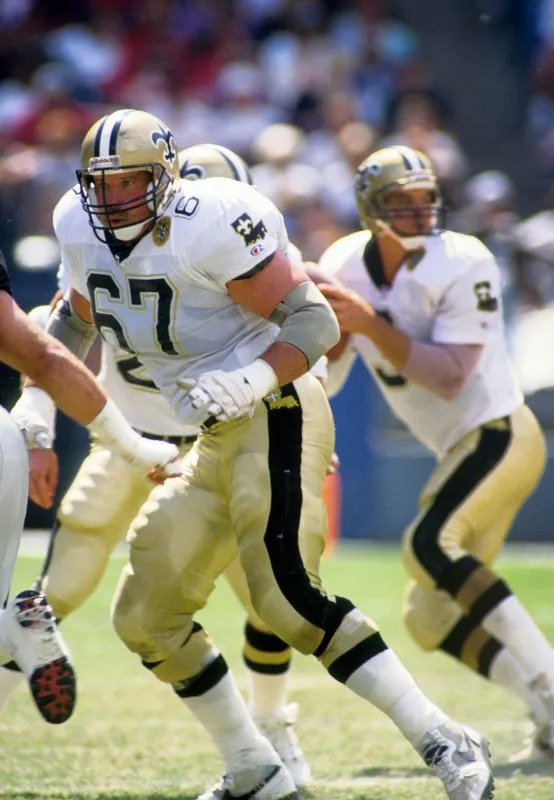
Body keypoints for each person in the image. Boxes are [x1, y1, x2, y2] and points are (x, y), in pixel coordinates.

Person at [21, 109, 493, 800]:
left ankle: (445, 737)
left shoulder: (211, 220)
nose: (115, 197)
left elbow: (315, 321)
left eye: (131, 182)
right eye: (103, 183)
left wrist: (250, 376)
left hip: (274, 407)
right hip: (208, 436)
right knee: (144, 618)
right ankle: (254, 767)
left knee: (287, 601)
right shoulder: (76, 223)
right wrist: (37, 396)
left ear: (166, 176)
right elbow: (73, 316)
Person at [0, 143, 312, 789]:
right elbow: (59, 335)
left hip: (219, 437)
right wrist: (38, 423)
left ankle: (273, 730)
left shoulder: (244, 250)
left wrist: (308, 435)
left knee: (269, 595)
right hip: (132, 430)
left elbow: (306, 339)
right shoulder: (105, 238)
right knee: (50, 595)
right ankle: (265, 746)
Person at [314, 144, 553, 762]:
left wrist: (368, 323)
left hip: (499, 433)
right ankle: (545, 714)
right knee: (429, 620)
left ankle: (552, 678)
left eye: (426, 198)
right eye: (403, 201)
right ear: (372, 209)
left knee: (428, 544)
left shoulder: (463, 259)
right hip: (460, 448)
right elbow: (332, 363)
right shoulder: (344, 261)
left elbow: (449, 377)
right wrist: (310, 409)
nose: (420, 212)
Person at [0, 246, 181, 726]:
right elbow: (46, 340)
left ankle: (262, 741)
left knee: (264, 600)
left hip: (208, 442)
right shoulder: (95, 239)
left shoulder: (229, 248)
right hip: (88, 435)